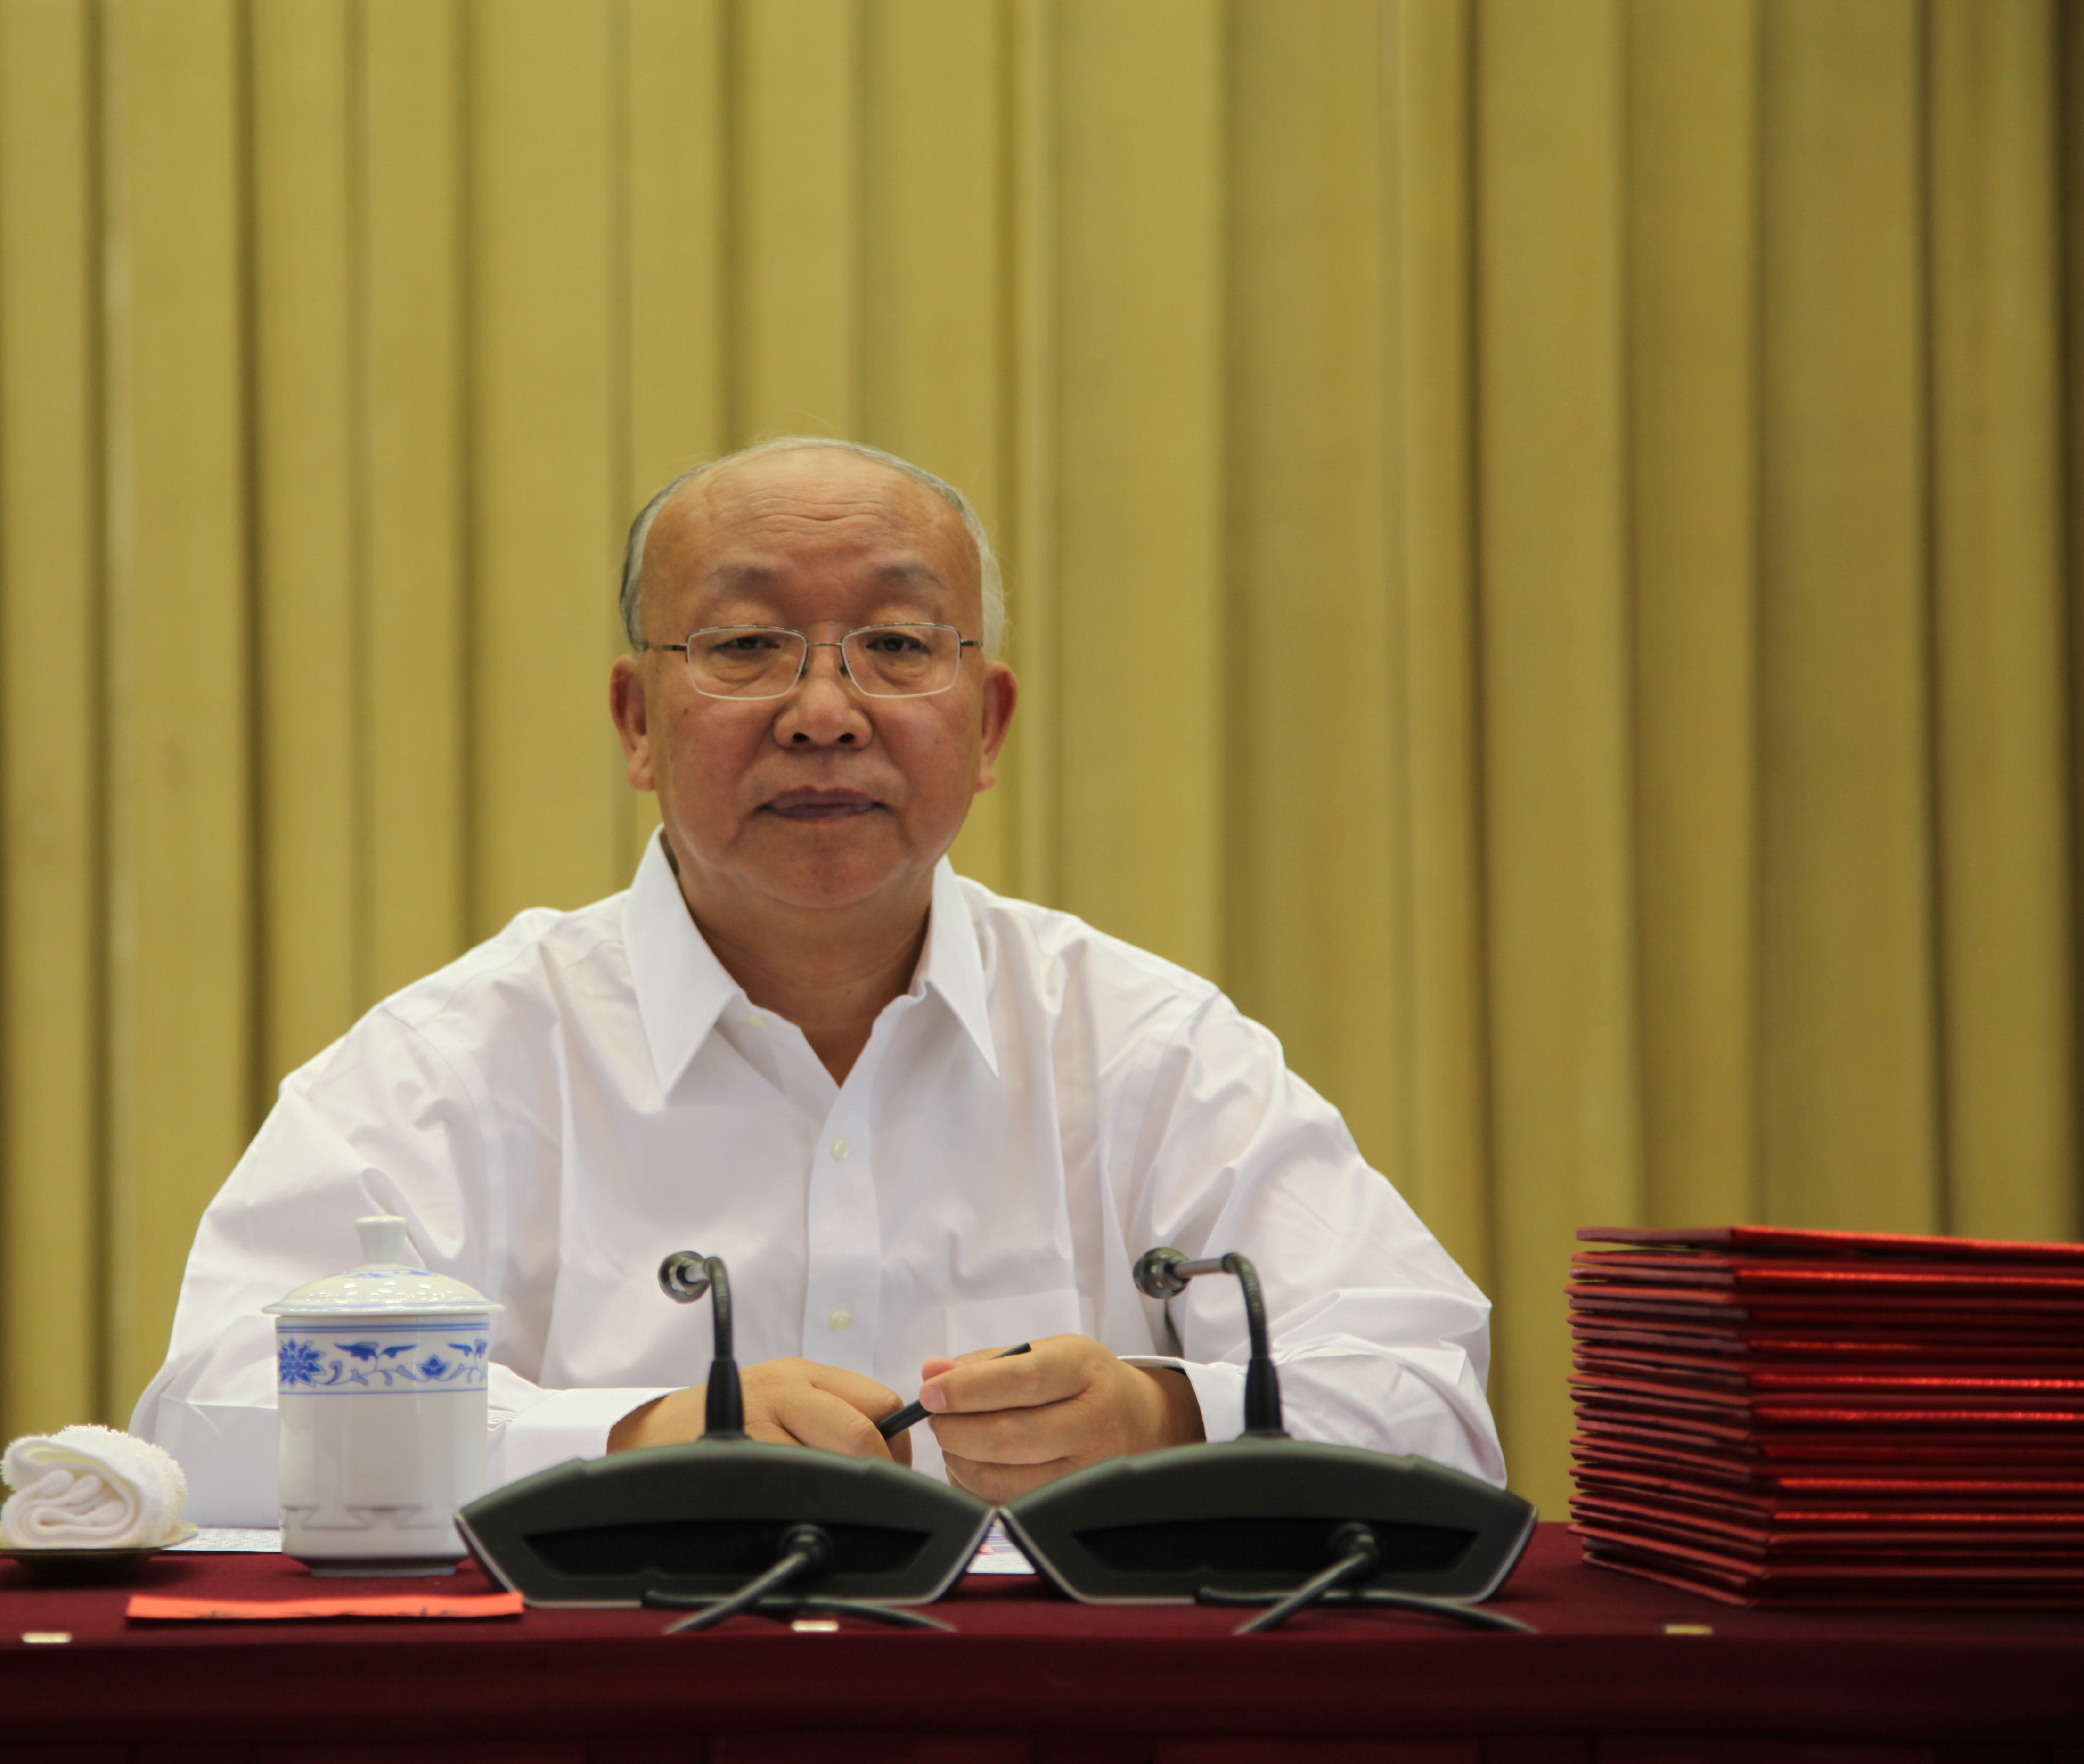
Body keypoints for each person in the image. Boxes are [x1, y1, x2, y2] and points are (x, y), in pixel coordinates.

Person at [132, 437, 1503, 1526]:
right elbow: (207, 1420)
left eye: (899, 647)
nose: (827, 713)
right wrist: (630, 1440)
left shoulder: (1144, 1045)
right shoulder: (457, 1057)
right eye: (745, 647)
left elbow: (1434, 1395)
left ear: (988, 725)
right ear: (638, 723)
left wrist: (1167, 1418)